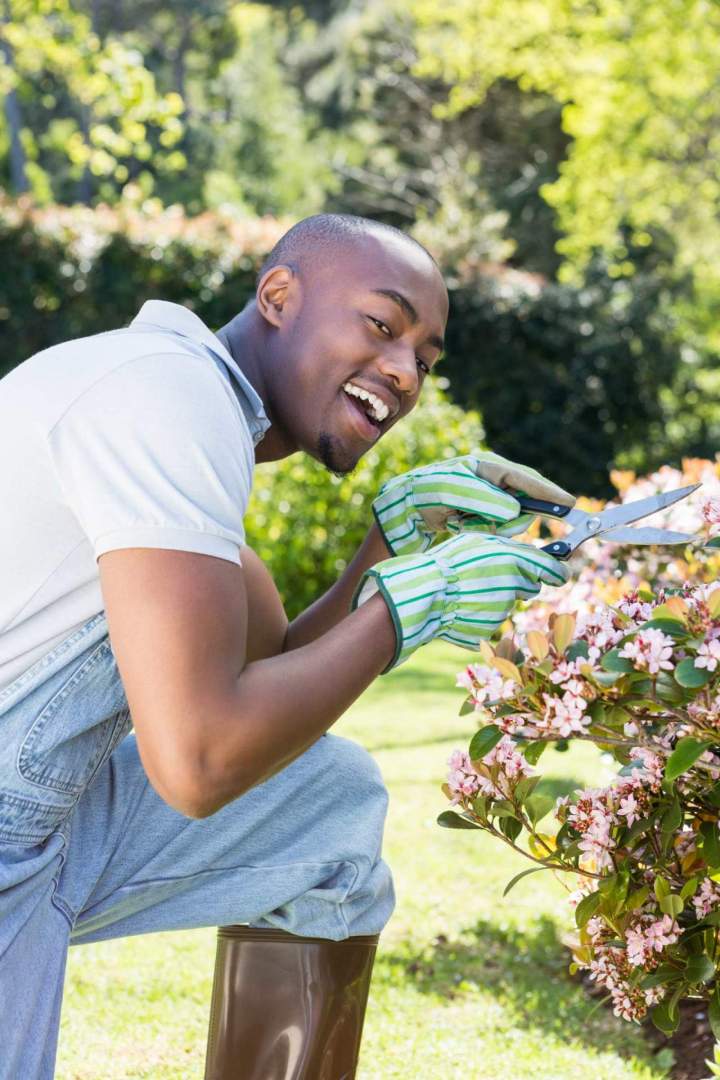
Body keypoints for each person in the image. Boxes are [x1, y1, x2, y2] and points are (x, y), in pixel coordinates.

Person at [0, 213, 574, 1079]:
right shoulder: (167, 398)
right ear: (278, 295)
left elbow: (256, 687)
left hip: (37, 828)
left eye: (424, 357)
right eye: (382, 325)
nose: (403, 371)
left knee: (327, 805)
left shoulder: (188, 409)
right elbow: (200, 762)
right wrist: (406, 612)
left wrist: (386, 556)